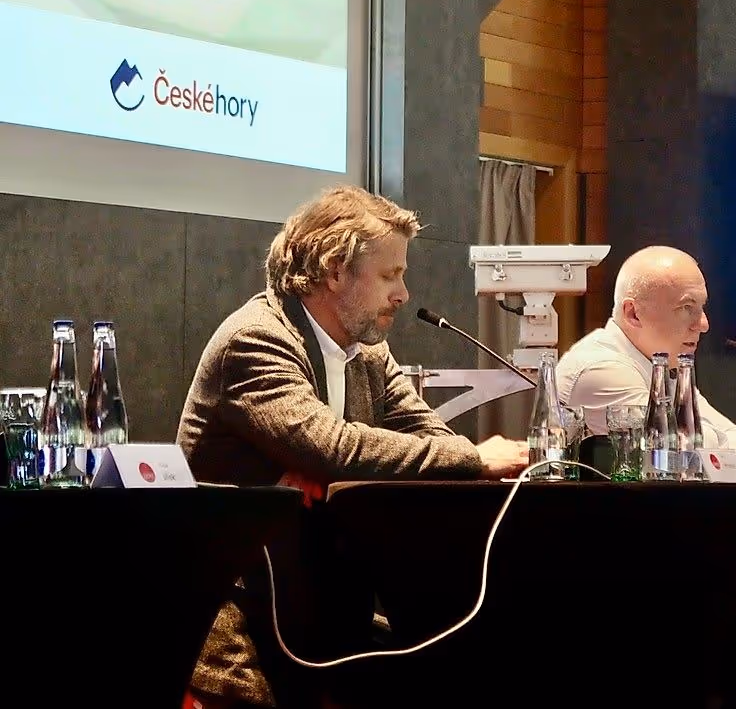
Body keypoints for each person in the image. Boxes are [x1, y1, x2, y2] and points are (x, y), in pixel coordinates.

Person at [177, 185, 528, 708]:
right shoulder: (255, 339)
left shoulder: (368, 351)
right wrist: (475, 458)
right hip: (241, 625)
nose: (403, 294)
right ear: (335, 271)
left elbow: (426, 432)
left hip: (325, 610)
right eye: (390, 275)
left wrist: (463, 459)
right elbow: (332, 448)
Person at [556, 245, 736, 467]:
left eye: (701, 307)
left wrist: (711, 444)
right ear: (633, 313)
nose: (703, 324)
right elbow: (677, 455)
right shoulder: (600, 368)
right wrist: (715, 444)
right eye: (686, 307)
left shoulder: (665, 365)